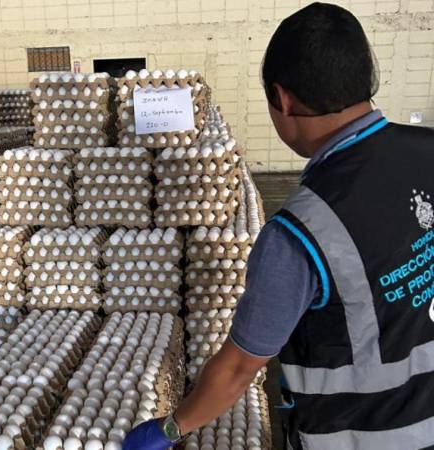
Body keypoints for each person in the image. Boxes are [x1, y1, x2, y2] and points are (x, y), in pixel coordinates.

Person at [122, 2, 434, 450]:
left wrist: (169, 428)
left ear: (282, 99)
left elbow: (240, 367)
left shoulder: (303, 229)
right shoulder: (427, 149)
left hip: (367, 436)